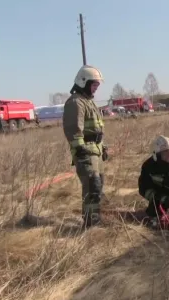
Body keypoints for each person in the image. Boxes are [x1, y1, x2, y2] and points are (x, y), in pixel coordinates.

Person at [62, 65, 109, 228]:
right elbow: (73, 129)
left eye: (97, 85)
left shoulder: (88, 102)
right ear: (84, 82)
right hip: (86, 151)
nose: (96, 88)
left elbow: (96, 129)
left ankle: (95, 217)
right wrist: (80, 151)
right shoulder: (76, 102)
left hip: (94, 150)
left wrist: (103, 147)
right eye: (94, 84)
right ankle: (90, 223)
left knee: (99, 184)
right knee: (92, 186)